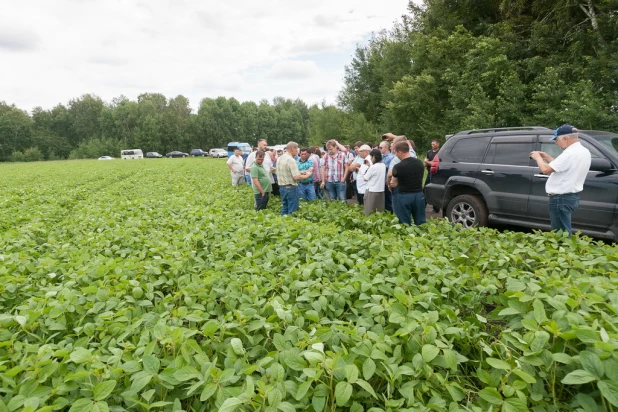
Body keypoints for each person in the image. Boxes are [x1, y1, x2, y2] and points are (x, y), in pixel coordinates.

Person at [530, 124, 591, 236]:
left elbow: (545, 169)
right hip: (571, 197)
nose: (556, 143)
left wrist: (538, 158)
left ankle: (563, 252)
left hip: (560, 199)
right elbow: (563, 166)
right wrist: (547, 157)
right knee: (563, 229)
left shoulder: (569, 153)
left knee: (560, 234)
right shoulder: (583, 151)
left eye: (556, 139)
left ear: (565, 138)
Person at [392, 141, 427, 225]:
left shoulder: (397, 167)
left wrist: (391, 183)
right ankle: (423, 237)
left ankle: (407, 237)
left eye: (396, 153)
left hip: (404, 196)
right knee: (421, 222)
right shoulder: (420, 163)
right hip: (419, 195)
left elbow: (394, 183)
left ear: (400, 152)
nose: (396, 155)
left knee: (404, 223)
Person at [276, 142, 313, 215]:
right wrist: (308, 175)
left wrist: (301, 172)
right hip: (291, 188)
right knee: (292, 210)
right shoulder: (291, 160)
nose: (297, 151)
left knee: (285, 207)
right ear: (292, 148)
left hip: (282, 187)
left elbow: (286, 171)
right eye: (296, 149)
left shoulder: (279, 158)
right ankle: (291, 224)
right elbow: (296, 177)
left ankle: (281, 223)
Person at [363, 149, 386, 216]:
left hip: (371, 191)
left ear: (374, 157)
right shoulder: (383, 165)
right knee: (380, 212)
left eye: (371, 157)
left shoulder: (373, 167)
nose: (370, 159)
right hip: (381, 191)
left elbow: (365, 178)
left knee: (369, 212)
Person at [423, 139, 441, 213]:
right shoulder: (429, 152)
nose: (432, 145)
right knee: (425, 189)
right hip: (429, 172)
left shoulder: (440, 153)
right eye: (432, 144)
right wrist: (428, 162)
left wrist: (427, 162)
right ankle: (423, 206)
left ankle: (436, 208)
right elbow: (425, 164)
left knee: (435, 191)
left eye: (434, 144)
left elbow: (436, 164)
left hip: (436, 174)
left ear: (438, 144)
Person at [379, 141, 394, 212]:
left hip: (387, 181)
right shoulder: (382, 157)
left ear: (386, 148)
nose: (379, 149)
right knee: (385, 199)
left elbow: (385, 168)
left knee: (388, 199)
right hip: (383, 181)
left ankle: (390, 213)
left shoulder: (390, 157)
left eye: (380, 147)